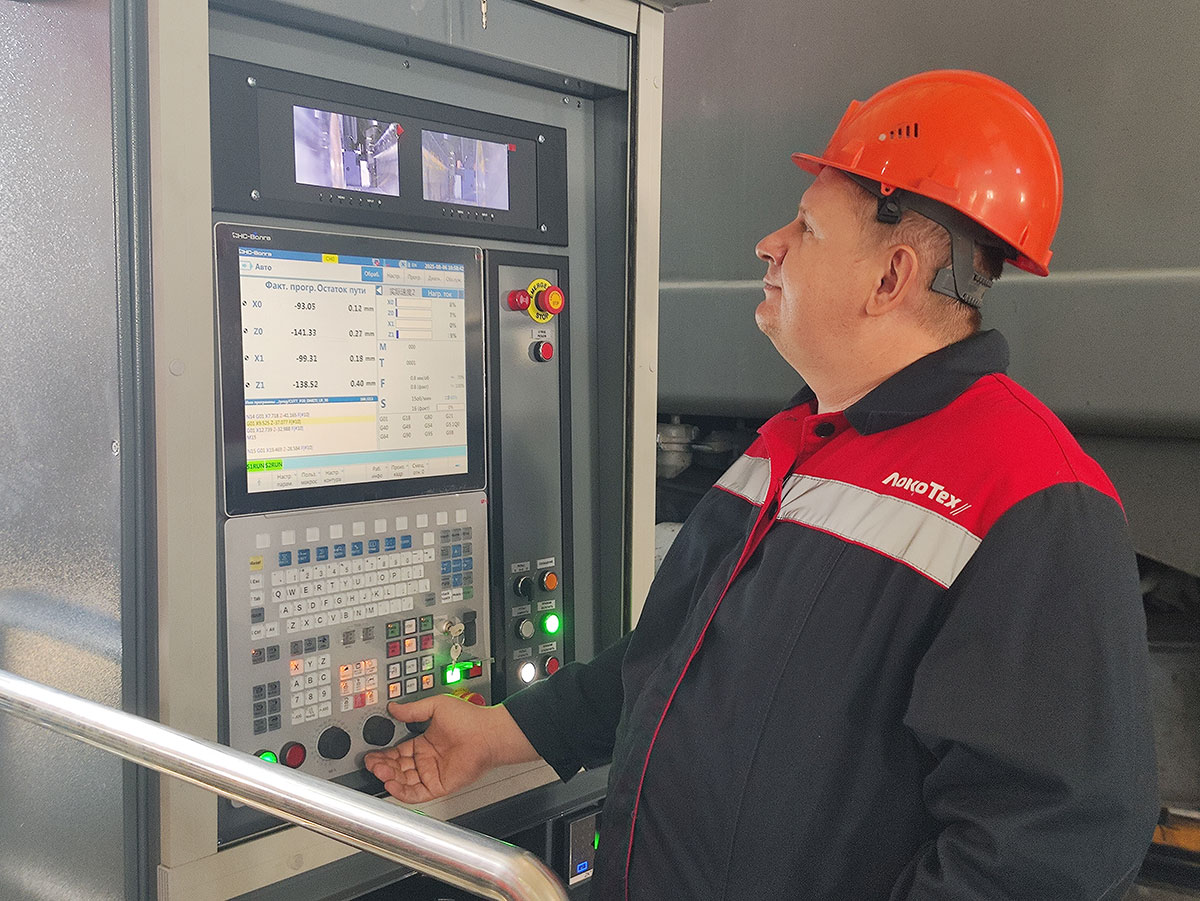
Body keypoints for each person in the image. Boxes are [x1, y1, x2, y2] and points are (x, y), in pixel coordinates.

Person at [365, 70, 1159, 899]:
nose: (769, 244)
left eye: (808, 228)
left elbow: (1049, 848)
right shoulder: (795, 440)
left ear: (889, 278)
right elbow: (675, 656)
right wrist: (501, 732)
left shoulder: (1031, 499)